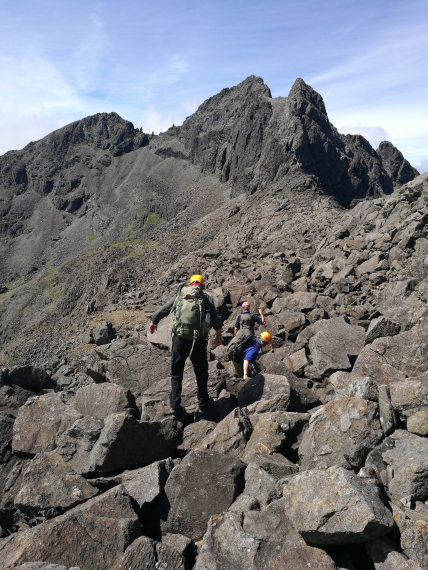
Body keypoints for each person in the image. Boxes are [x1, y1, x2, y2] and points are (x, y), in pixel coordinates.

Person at [149, 274, 222, 416]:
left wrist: (154, 321)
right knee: (201, 373)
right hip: (198, 341)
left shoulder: (181, 294)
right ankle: (203, 403)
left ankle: (175, 405)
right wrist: (218, 333)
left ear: (190, 283)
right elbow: (214, 316)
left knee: (177, 373)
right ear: (202, 285)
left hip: (180, 340)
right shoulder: (205, 297)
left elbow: (166, 308)